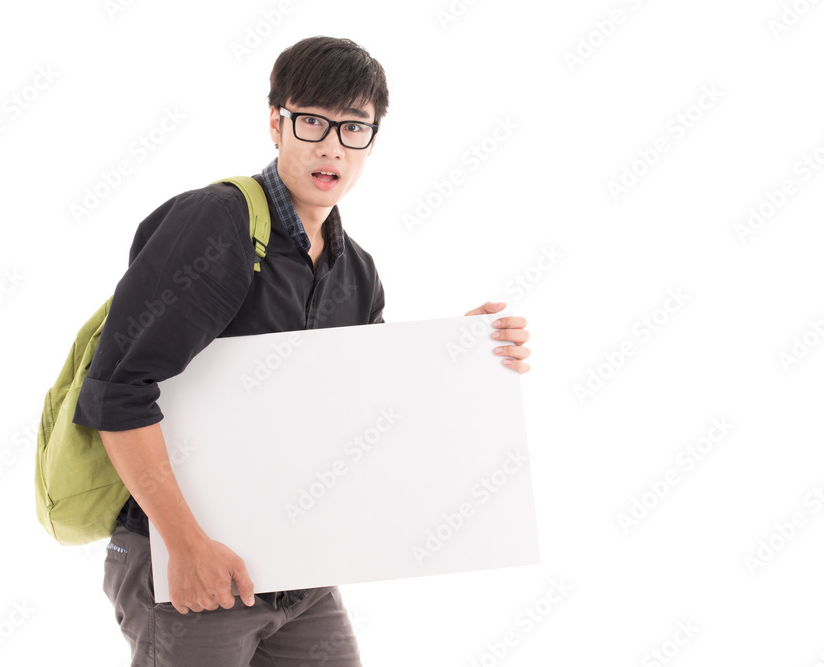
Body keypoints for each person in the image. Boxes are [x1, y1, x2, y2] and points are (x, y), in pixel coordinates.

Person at [72, 35, 531, 666]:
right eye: (312, 121)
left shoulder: (356, 270)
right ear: (276, 122)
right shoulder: (217, 224)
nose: (331, 146)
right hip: (189, 563)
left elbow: (364, 408)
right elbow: (116, 389)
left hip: (297, 571)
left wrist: (460, 351)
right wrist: (186, 545)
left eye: (353, 128)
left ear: (372, 139)